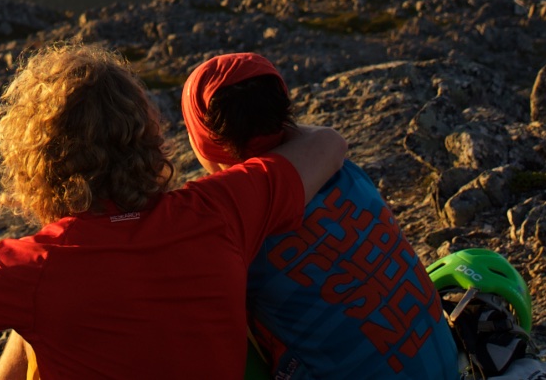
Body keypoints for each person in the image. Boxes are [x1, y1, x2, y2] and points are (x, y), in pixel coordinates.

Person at [0, 43, 350, 380]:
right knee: (37, 316)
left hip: (37, 283)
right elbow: (327, 143)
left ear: (35, 159)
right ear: (149, 137)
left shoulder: (31, 265)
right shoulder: (220, 209)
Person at [183, 53, 460, 379]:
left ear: (204, 139)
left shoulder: (233, 227)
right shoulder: (346, 172)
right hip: (447, 367)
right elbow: (316, 138)